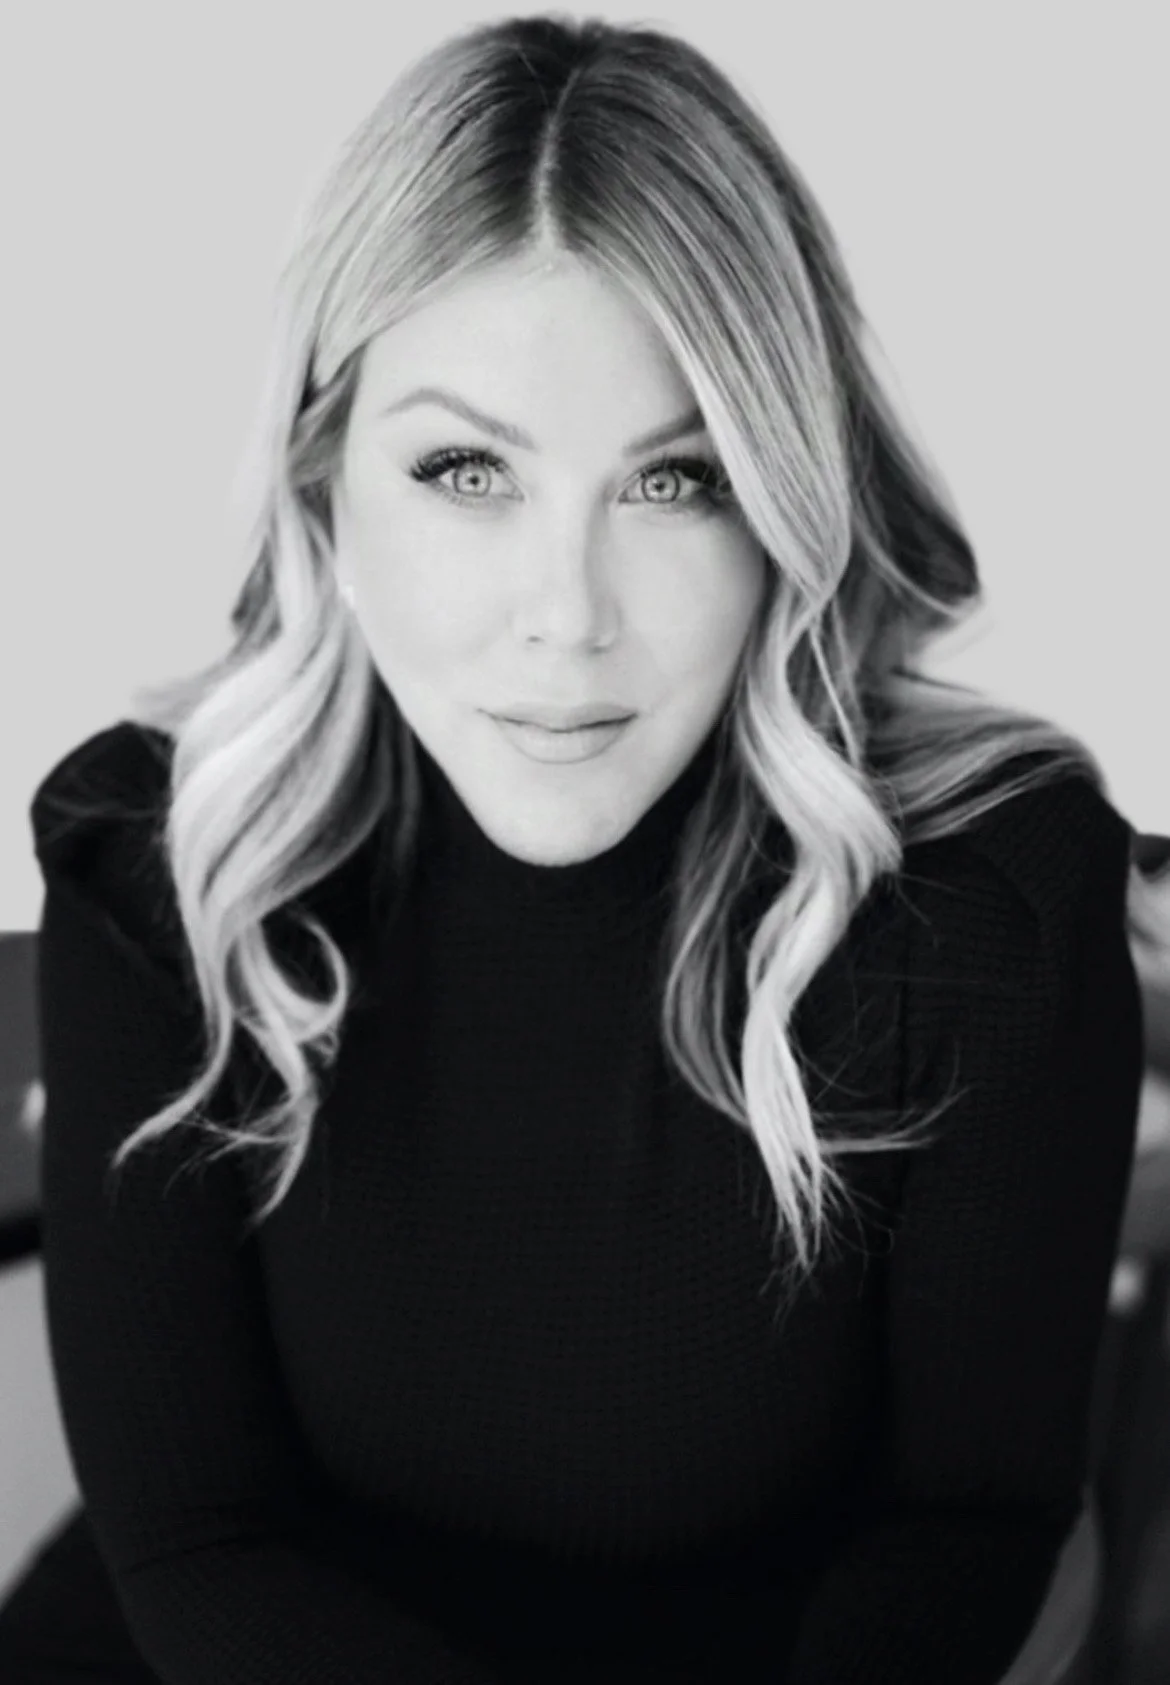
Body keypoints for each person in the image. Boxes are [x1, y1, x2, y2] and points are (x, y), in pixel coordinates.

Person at [0, 13, 1145, 1684]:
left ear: (783, 515)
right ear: (324, 489)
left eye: (675, 482)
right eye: (467, 470)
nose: (567, 620)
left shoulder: (987, 895)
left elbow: (968, 1520)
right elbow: (194, 1539)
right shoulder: (159, 861)